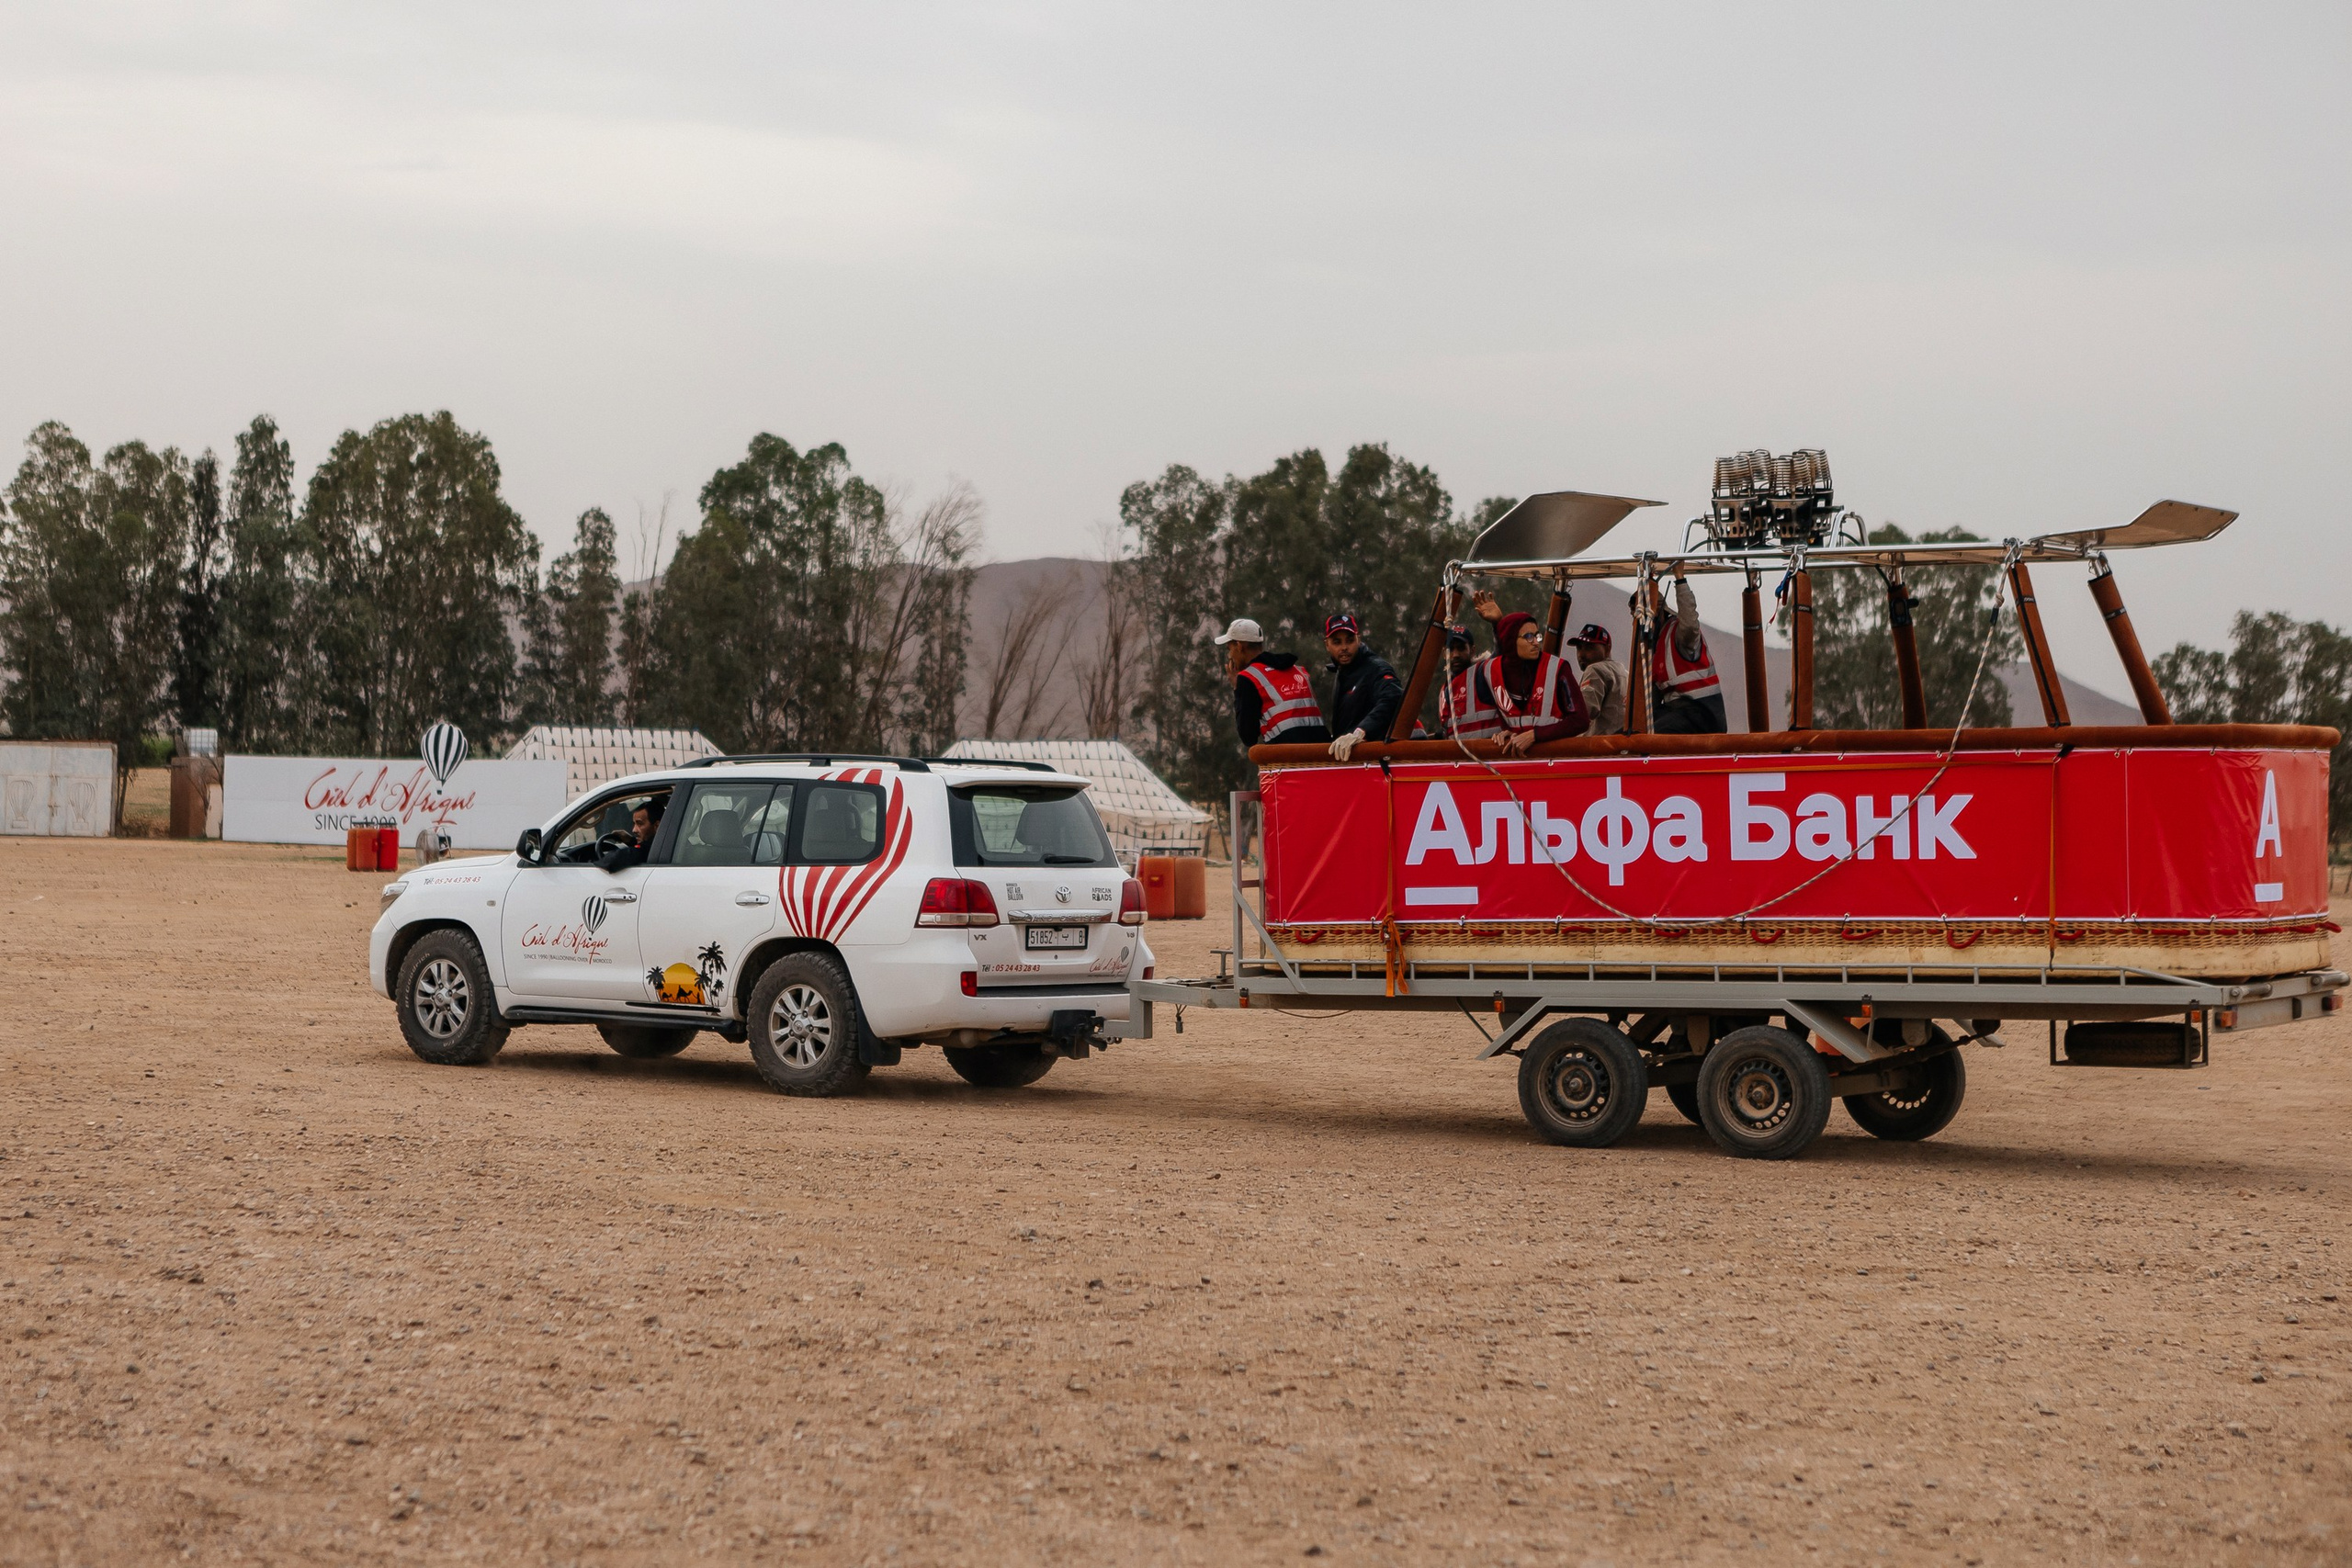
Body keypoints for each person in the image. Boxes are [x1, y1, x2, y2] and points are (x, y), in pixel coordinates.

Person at [1472, 609, 1589, 754]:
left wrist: (1535, 735)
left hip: (1553, 761)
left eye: (1536, 636)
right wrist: (1507, 731)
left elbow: (1581, 720)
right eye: (1528, 636)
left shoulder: (1558, 669)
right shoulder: (1489, 671)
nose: (1535, 642)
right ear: (1510, 640)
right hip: (1515, 762)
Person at [1217, 616, 1329, 749]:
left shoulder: (1247, 678)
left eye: (1229, 649)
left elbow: (1248, 737)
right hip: (1323, 756)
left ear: (1239, 646)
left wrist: (1237, 688)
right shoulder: (1299, 671)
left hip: (1288, 760)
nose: (1230, 656)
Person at [1652, 564, 1728, 734]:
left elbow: (1690, 623)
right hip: (1675, 711)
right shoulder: (1652, 649)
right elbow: (1653, 702)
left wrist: (1680, 579)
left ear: (1658, 610)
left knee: (1651, 735)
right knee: (1633, 733)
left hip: (1701, 713)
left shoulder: (1678, 634)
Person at [1320, 613, 1404, 761]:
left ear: (1359, 639)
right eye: (1337, 642)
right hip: (1352, 762)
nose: (1344, 647)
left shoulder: (1376, 668)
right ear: (1327, 645)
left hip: (1375, 763)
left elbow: (1394, 698)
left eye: (1350, 640)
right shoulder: (1342, 671)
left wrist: (1360, 732)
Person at [1432, 622, 1502, 740]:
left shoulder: (1483, 674)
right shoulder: (1445, 690)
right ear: (1444, 653)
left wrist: (1496, 624)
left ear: (1473, 650)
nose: (1455, 655)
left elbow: (1502, 654)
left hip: (1489, 756)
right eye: (1451, 649)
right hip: (1460, 758)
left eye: (1461, 648)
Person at [1567, 623, 1629, 736]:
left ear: (1607, 649)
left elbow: (1582, 714)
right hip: (1623, 745)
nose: (1581, 654)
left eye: (1589, 648)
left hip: (1599, 747)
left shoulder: (1595, 669)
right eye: (1579, 648)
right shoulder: (1626, 674)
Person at [598, 794, 666, 872]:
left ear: (657, 826)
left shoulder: (650, 849)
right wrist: (631, 840)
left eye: (640, 824)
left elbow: (612, 861)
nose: (634, 830)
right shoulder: (665, 844)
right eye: (634, 823)